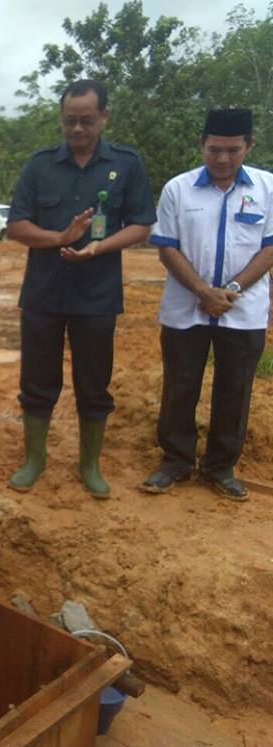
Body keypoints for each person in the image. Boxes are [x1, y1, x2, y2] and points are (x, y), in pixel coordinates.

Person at [6, 80, 155, 499]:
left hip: (97, 295)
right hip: (44, 293)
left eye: (86, 121)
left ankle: (89, 464)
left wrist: (98, 248)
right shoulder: (40, 165)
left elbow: (142, 225)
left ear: (104, 116)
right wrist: (60, 237)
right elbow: (16, 225)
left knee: (94, 382)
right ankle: (34, 459)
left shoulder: (126, 164)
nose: (77, 129)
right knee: (37, 380)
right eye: (69, 120)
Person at [142, 108, 273, 500]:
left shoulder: (268, 188)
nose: (222, 158)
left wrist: (230, 289)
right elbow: (167, 249)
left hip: (243, 310)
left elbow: (269, 248)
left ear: (249, 145)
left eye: (233, 150)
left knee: (235, 388)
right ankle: (176, 461)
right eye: (214, 149)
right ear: (202, 144)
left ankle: (220, 466)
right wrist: (202, 291)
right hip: (186, 309)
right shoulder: (178, 190)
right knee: (180, 385)